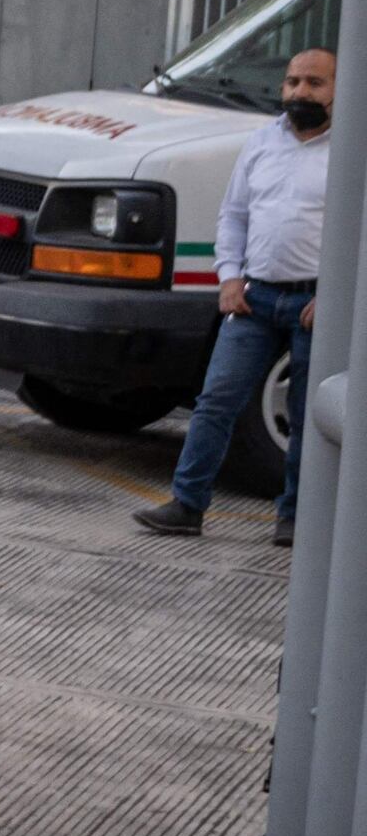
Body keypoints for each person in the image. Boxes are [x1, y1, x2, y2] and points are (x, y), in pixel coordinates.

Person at [145, 42, 329, 543]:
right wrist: (228, 277)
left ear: (339, 91)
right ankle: (186, 505)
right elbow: (234, 215)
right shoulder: (262, 142)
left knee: (306, 416)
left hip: (316, 306)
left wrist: (334, 296)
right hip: (255, 298)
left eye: (315, 83)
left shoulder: (350, 152)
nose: (300, 91)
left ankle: (293, 518)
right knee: (216, 399)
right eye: (293, 82)